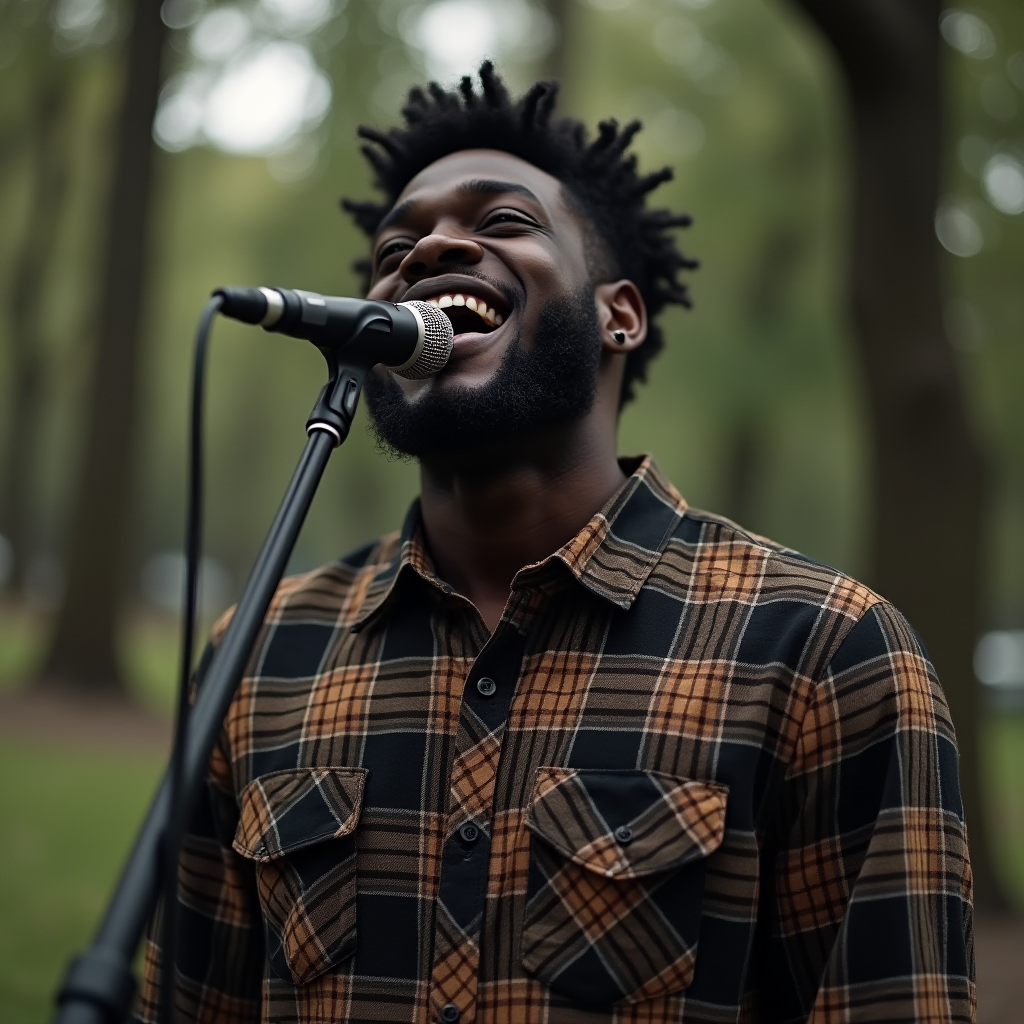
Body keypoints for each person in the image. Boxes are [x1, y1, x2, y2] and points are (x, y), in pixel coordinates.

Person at [138, 63, 975, 1024]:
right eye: (396, 244)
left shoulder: (826, 651)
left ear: (619, 313)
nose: (430, 248)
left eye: (502, 223)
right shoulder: (256, 654)